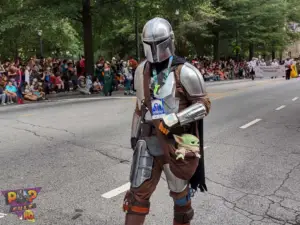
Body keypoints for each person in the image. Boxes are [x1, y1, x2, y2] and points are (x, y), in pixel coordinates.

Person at [123, 17, 211, 225]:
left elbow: (203, 105)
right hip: (148, 140)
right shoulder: (141, 71)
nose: (154, 49)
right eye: (149, 44)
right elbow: (139, 108)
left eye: (158, 43)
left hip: (177, 142)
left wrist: (175, 119)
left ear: (169, 40)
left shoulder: (186, 71)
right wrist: (135, 138)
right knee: (137, 197)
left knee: (181, 199)